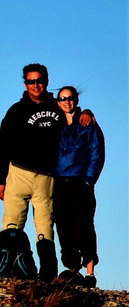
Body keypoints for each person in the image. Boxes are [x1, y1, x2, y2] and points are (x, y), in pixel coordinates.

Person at [0, 63, 91, 281]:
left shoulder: (56, 107)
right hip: (18, 172)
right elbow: (3, 145)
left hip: (46, 177)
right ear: (25, 84)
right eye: (31, 81)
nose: (36, 85)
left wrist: (86, 111)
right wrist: (0, 179)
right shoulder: (16, 111)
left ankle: (47, 275)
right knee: (12, 222)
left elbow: (71, 112)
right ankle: (8, 269)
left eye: (39, 81)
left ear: (46, 81)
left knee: (45, 226)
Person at [53, 86, 104, 287]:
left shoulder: (87, 123)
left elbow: (96, 152)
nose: (67, 102)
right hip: (58, 182)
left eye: (70, 98)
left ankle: (90, 273)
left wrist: (88, 180)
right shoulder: (55, 123)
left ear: (76, 99)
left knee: (83, 225)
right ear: (57, 101)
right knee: (63, 226)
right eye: (63, 98)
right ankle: (73, 270)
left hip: (80, 182)